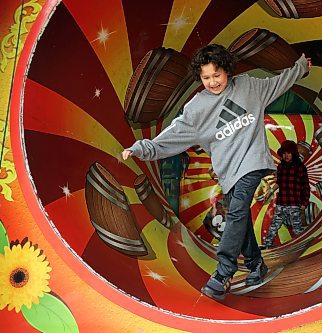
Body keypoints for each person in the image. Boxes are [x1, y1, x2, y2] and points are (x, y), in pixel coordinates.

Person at [122, 44, 311, 300]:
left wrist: (300, 67)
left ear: (228, 71)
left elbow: (280, 82)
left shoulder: (249, 88)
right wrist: (141, 148)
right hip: (228, 173)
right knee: (240, 219)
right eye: (206, 77)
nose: (212, 82)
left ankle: (224, 272)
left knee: (236, 211)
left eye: (217, 75)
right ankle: (256, 265)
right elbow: (171, 137)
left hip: (253, 163)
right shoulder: (196, 109)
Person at [264, 140, 310, 248]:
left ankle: (301, 248)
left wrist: (304, 202)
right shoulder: (281, 167)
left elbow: (305, 186)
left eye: (289, 153)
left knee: (297, 228)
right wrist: (271, 191)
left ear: (293, 153)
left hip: (294, 203)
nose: (286, 156)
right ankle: (267, 245)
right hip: (281, 203)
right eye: (284, 153)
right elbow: (279, 182)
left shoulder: (300, 168)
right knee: (274, 226)